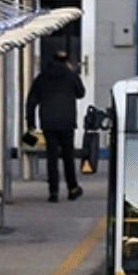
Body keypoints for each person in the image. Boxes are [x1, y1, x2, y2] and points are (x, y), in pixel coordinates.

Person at [25, 48, 86, 202]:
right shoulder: (70, 76)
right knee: (68, 156)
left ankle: (53, 191)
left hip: (48, 122)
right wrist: (73, 73)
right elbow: (81, 93)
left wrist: (30, 122)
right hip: (67, 122)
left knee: (52, 157)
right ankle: (72, 188)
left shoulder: (42, 78)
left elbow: (31, 101)